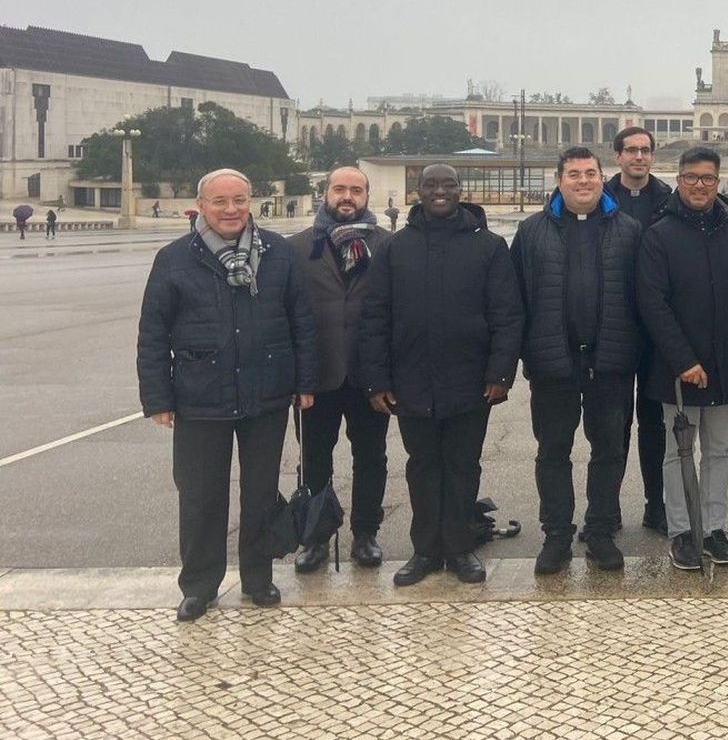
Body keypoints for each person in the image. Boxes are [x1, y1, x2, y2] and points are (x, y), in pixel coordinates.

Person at [136, 168, 318, 621]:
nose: (232, 209)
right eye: (220, 201)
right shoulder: (175, 258)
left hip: (267, 391)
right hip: (200, 395)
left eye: (239, 200)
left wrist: (305, 382)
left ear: (251, 201)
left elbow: (302, 321)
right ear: (201, 206)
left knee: (259, 493)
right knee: (200, 495)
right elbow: (153, 333)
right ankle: (199, 584)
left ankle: (258, 579)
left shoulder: (278, 252)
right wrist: (158, 397)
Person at [360, 163, 523, 587]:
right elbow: (375, 317)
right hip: (411, 379)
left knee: (463, 465)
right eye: (430, 185)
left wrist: (500, 373)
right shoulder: (395, 248)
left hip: (471, 380)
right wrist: (377, 380)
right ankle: (426, 550)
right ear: (418, 191)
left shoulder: (487, 246)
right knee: (423, 465)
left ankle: (459, 546)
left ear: (459, 190)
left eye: (447, 185)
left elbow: (507, 315)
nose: (439, 192)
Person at [512, 146, 644, 575]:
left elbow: (642, 299)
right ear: (559, 180)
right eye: (574, 174)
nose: (583, 181)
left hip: (610, 362)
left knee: (609, 449)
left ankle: (601, 532)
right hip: (554, 363)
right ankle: (556, 537)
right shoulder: (531, 231)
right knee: (553, 451)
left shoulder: (629, 229)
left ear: (602, 177)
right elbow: (516, 300)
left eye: (590, 173)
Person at [636, 147, 728, 571]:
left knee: (719, 451)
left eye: (707, 179)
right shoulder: (659, 234)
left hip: (727, 363)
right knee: (678, 452)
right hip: (678, 370)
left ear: (718, 182)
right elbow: (652, 303)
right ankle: (681, 531)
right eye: (691, 178)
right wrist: (683, 359)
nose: (699, 186)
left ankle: (712, 528)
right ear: (678, 179)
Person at [286, 165, 392, 572]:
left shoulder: (387, 246)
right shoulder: (296, 249)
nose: (347, 196)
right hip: (317, 375)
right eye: (339, 189)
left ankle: (366, 534)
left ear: (367, 196)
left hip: (369, 376)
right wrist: (297, 377)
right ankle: (314, 537)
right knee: (315, 459)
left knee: (371, 457)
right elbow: (288, 316)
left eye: (356, 190)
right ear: (325, 193)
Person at [605, 125, 675, 536]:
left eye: (645, 150)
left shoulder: (667, 199)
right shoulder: (600, 197)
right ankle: (607, 509)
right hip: (613, 326)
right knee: (613, 425)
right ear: (618, 156)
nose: (639, 157)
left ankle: (656, 505)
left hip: (655, 334)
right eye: (631, 150)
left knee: (655, 425)